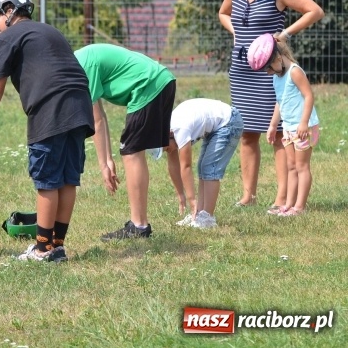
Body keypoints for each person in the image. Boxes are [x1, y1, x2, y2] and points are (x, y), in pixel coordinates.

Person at [0, 0, 94, 262]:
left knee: (47, 180)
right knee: (67, 179)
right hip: (80, 105)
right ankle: (57, 246)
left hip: (50, 107)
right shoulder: (50, 30)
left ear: (9, 11)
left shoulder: (9, 36)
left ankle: (41, 249)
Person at [218, 0, 323, 209]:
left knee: (277, 133)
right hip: (242, 71)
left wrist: (284, 34)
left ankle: (282, 198)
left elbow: (315, 11)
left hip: (270, 71)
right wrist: (237, 35)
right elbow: (222, 13)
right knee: (247, 133)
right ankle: (248, 195)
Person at [74, 44, 176, 241]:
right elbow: (100, 116)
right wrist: (107, 160)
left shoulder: (83, 65)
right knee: (133, 150)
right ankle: (141, 223)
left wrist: (104, 164)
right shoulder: (82, 58)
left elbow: (96, 119)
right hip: (162, 80)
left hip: (149, 84)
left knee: (131, 152)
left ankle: (139, 226)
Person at [248, 34, 318, 216]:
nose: (268, 73)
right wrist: (273, 125)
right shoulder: (277, 76)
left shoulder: (295, 72)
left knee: (302, 167)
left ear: (278, 58)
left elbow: (309, 96)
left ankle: (300, 207)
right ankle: (288, 204)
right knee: (291, 166)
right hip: (288, 127)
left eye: (268, 68)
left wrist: (304, 123)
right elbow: (280, 101)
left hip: (303, 127)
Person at [166, 99, 243, 229]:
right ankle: (198, 214)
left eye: (167, 148)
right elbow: (173, 165)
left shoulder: (180, 129)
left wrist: (191, 200)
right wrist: (181, 195)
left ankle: (207, 218)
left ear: (169, 135)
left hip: (229, 122)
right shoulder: (167, 134)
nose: (168, 151)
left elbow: (186, 167)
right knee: (202, 168)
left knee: (210, 169)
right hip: (215, 126)